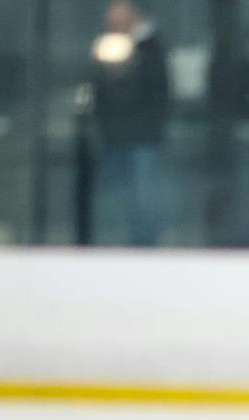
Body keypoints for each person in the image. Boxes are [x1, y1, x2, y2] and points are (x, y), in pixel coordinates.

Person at [89, 0, 169, 247]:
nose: (113, 19)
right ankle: (123, 243)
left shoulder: (150, 47)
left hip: (141, 136)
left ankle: (144, 244)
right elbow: (99, 86)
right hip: (116, 134)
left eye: (119, 13)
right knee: (119, 196)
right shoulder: (109, 46)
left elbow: (157, 92)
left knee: (143, 196)